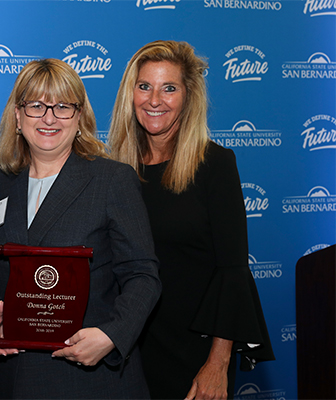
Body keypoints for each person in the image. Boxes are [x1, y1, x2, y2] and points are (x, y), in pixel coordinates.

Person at [0, 58, 161, 399]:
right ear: (17, 116)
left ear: (79, 117)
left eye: (62, 106)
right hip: (16, 379)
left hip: (92, 380)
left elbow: (143, 275)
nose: (49, 117)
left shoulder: (112, 181)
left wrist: (111, 336)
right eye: (36, 105)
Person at [108, 40, 275, 400]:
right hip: (128, 348)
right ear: (130, 94)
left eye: (169, 88)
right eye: (144, 86)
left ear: (188, 96)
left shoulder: (214, 165)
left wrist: (217, 363)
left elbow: (232, 272)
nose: (155, 100)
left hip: (195, 353)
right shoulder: (115, 171)